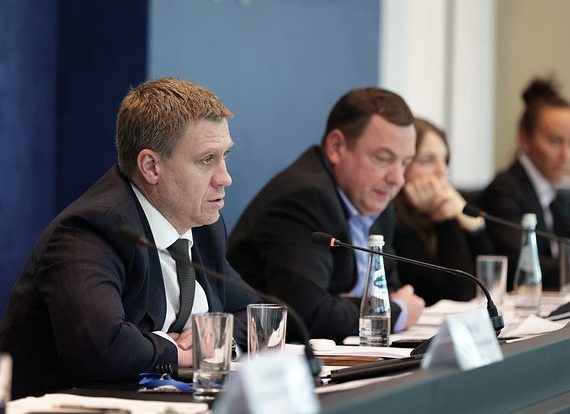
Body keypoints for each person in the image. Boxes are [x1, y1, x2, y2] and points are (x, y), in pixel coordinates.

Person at [0, 78, 258, 398]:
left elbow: (258, 314)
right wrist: (178, 353)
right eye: (207, 160)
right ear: (151, 167)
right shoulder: (91, 229)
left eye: (225, 156)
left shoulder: (203, 226)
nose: (225, 178)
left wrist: (217, 341)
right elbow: (102, 348)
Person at [227, 87, 425, 343]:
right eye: (383, 158)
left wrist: (347, 307)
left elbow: (390, 288)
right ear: (336, 147)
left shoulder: (376, 200)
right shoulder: (304, 198)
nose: (397, 179)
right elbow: (310, 315)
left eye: (405, 163)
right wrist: (397, 311)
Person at [479, 77, 570, 291]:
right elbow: (524, 267)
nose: (565, 155)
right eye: (554, 141)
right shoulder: (503, 191)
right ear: (525, 139)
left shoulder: (556, 196)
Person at [393, 118, 494, 306]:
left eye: (445, 160)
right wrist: (445, 219)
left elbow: (490, 283)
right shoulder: (392, 219)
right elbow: (457, 292)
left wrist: (474, 227)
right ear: (402, 164)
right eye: (428, 160)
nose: (442, 171)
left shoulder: (441, 207)